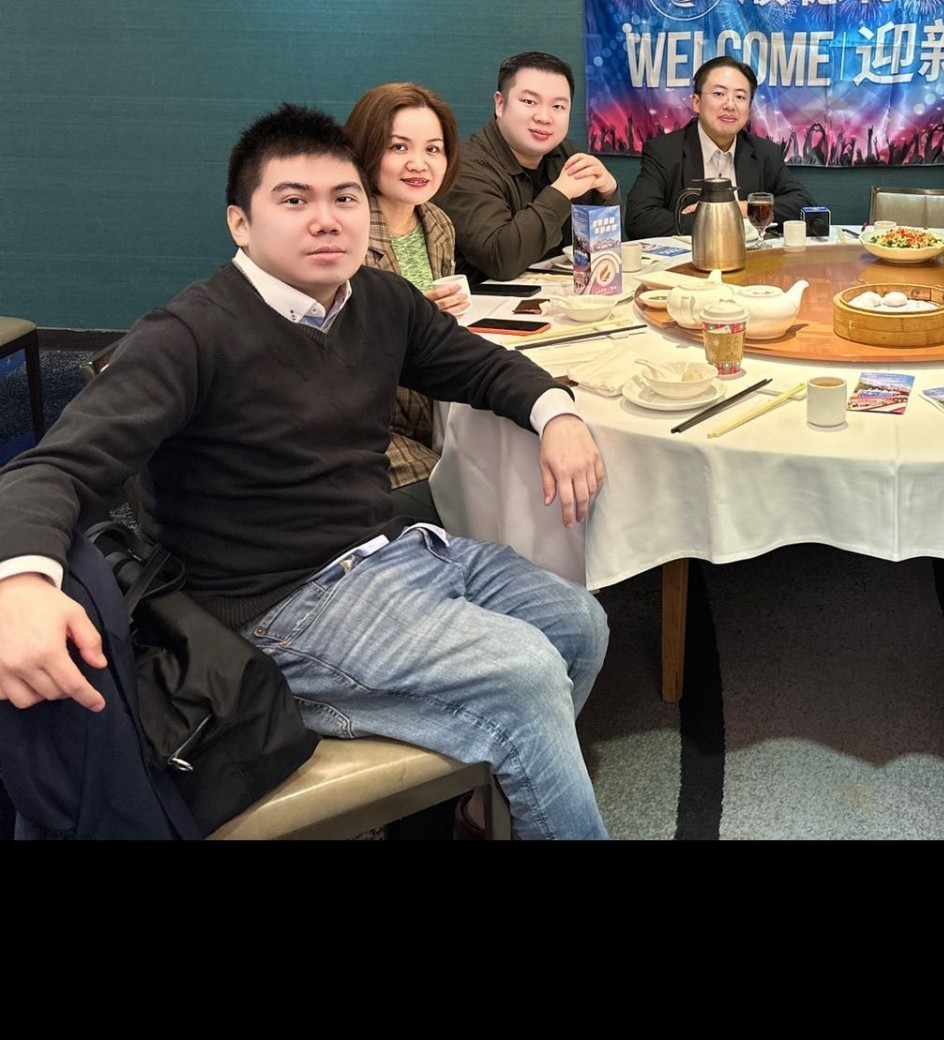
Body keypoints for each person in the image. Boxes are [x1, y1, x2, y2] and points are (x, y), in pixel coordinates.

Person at [0, 104, 612, 840]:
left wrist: (557, 414)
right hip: (274, 607)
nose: (326, 220)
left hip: (389, 553)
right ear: (240, 223)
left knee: (579, 623)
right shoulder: (190, 333)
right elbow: (54, 466)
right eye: (294, 200)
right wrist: (19, 583)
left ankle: (483, 804)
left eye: (344, 198)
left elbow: (479, 365)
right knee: (524, 672)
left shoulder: (378, 300)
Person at [344, 81, 471, 515]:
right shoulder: (343, 232)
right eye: (399, 147)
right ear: (366, 149)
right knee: (462, 499)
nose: (419, 164)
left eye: (433, 149)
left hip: (429, 408)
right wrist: (413, 324)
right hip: (364, 423)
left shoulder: (436, 223)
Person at [440, 51, 619, 286]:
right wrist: (560, 193)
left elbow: (597, 251)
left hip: (555, 297)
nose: (544, 117)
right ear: (500, 104)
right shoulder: (464, 167)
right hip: (485, 304)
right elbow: (501, 261)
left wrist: (607, 194)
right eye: (529, 102)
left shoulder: (565, 154)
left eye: (558, 106)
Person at [623, 55, 816, 239]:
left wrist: (740, 208)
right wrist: (715, 219)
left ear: (749, 108)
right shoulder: (665, 151)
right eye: (718, 94)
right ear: (696, 102)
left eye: (740, 97)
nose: (730, 105)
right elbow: (638, 219)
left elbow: (804, 205)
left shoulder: (765, 152)